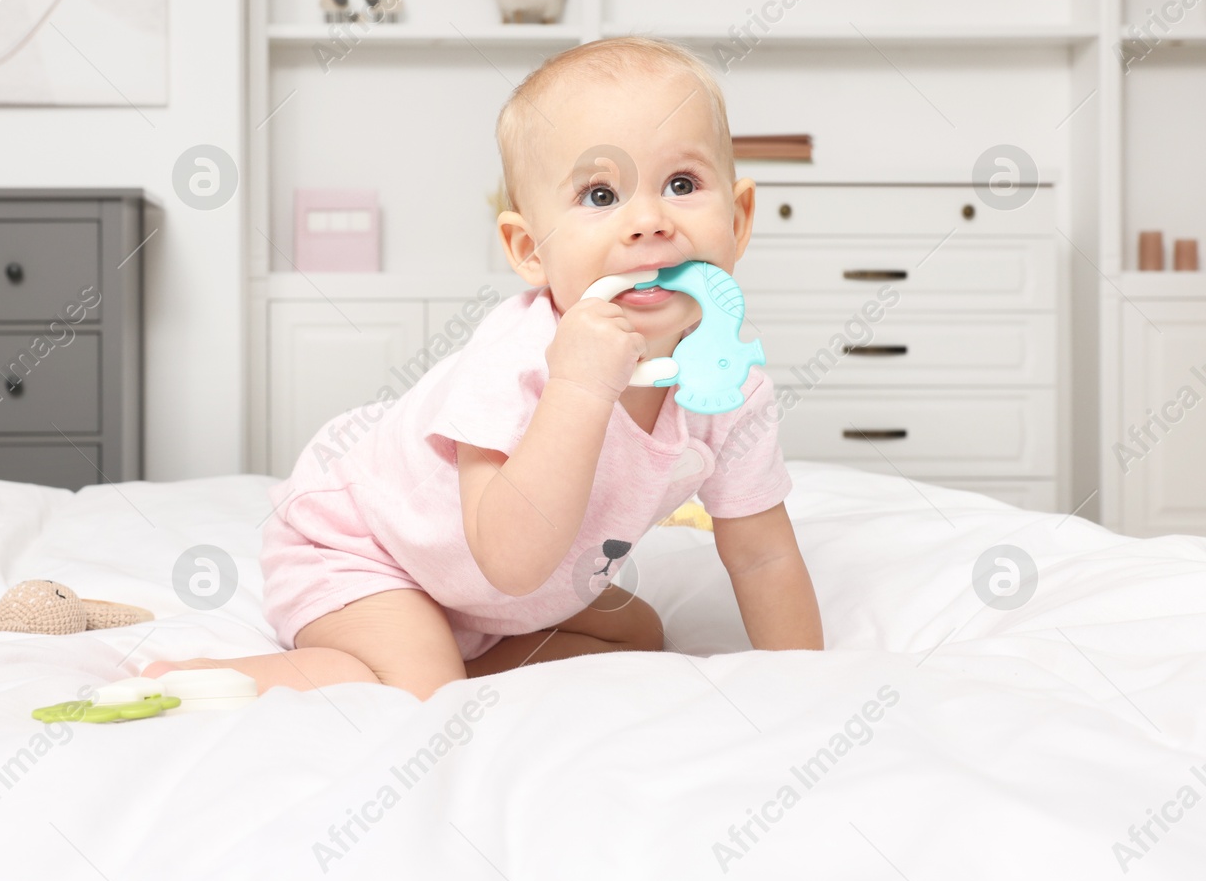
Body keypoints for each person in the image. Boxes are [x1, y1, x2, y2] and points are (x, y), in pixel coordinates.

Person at [147, 37, 823, 700]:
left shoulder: (730, 386)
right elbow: (511, 557)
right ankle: (220, 674)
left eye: (682, 184)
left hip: (480, 593)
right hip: (362, 548)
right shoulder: (516, 359)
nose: (647, 220)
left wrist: (813, 690)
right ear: (529, 249)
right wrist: (581, 386)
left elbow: (762, 555)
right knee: (422, 689)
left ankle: (453, 647)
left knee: (639, 634)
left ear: (737, 220)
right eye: (599, 195)